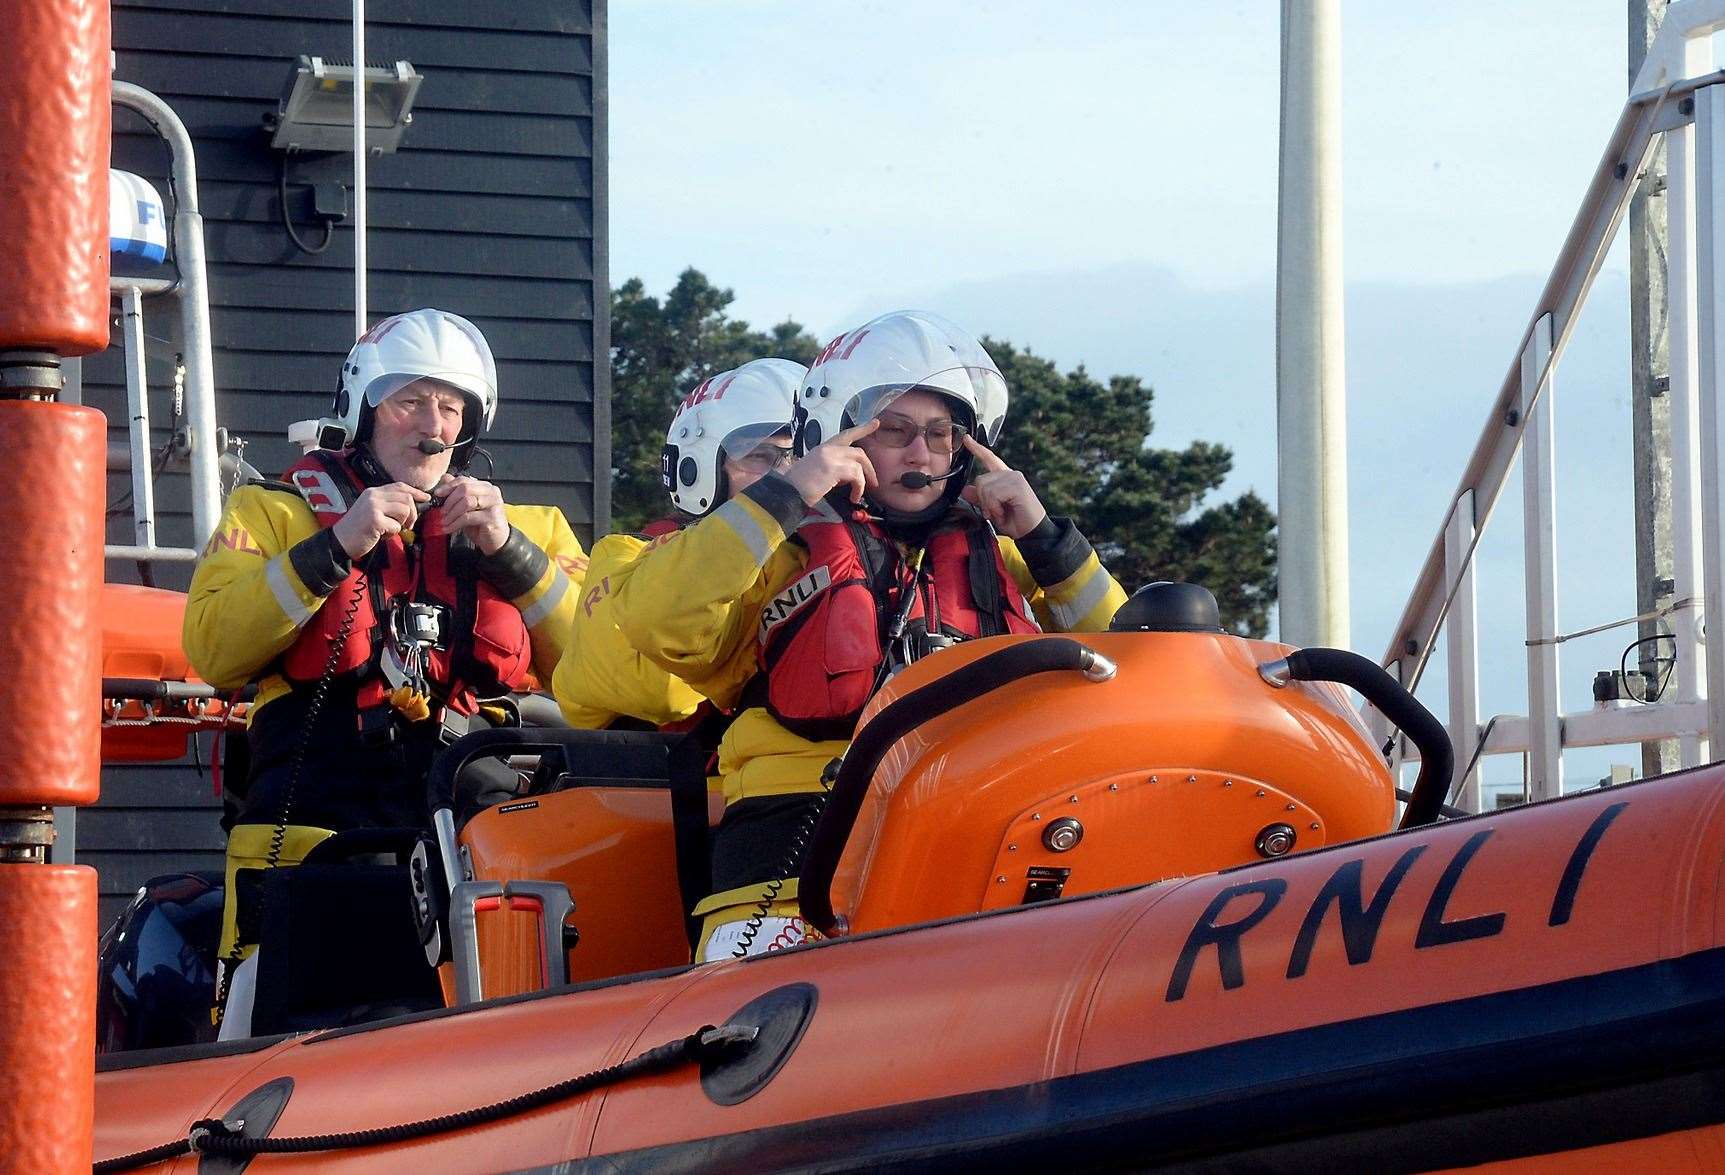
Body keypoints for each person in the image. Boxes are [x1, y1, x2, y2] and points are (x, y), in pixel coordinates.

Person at [614, 310, 1127, 960]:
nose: (920, 452)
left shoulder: (1004, 554)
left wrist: (1048, 539)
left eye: (941, 434)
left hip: (973, 841)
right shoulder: (778, 548)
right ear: (843, 435)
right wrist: (788, 491)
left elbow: (1126, 660)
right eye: (895, 430)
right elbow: (656, 621)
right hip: (787, 859)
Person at [183, 308, 588, 1010]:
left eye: (451, 405)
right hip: (310, 846)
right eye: (409, 400)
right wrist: (336, 544)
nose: (432, 424)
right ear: (364, 408)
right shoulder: (271, 510)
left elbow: (600, 672)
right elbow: (213, 648)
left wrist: (512, 554)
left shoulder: (531, 529)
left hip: (473, 849)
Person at [552, 358, 802, 733]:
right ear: (700, 466)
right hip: (686, 780)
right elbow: (659, 692)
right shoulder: (627, 555)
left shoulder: (845, 555)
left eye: (799, 457)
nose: (787, 474)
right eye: (760, 456)